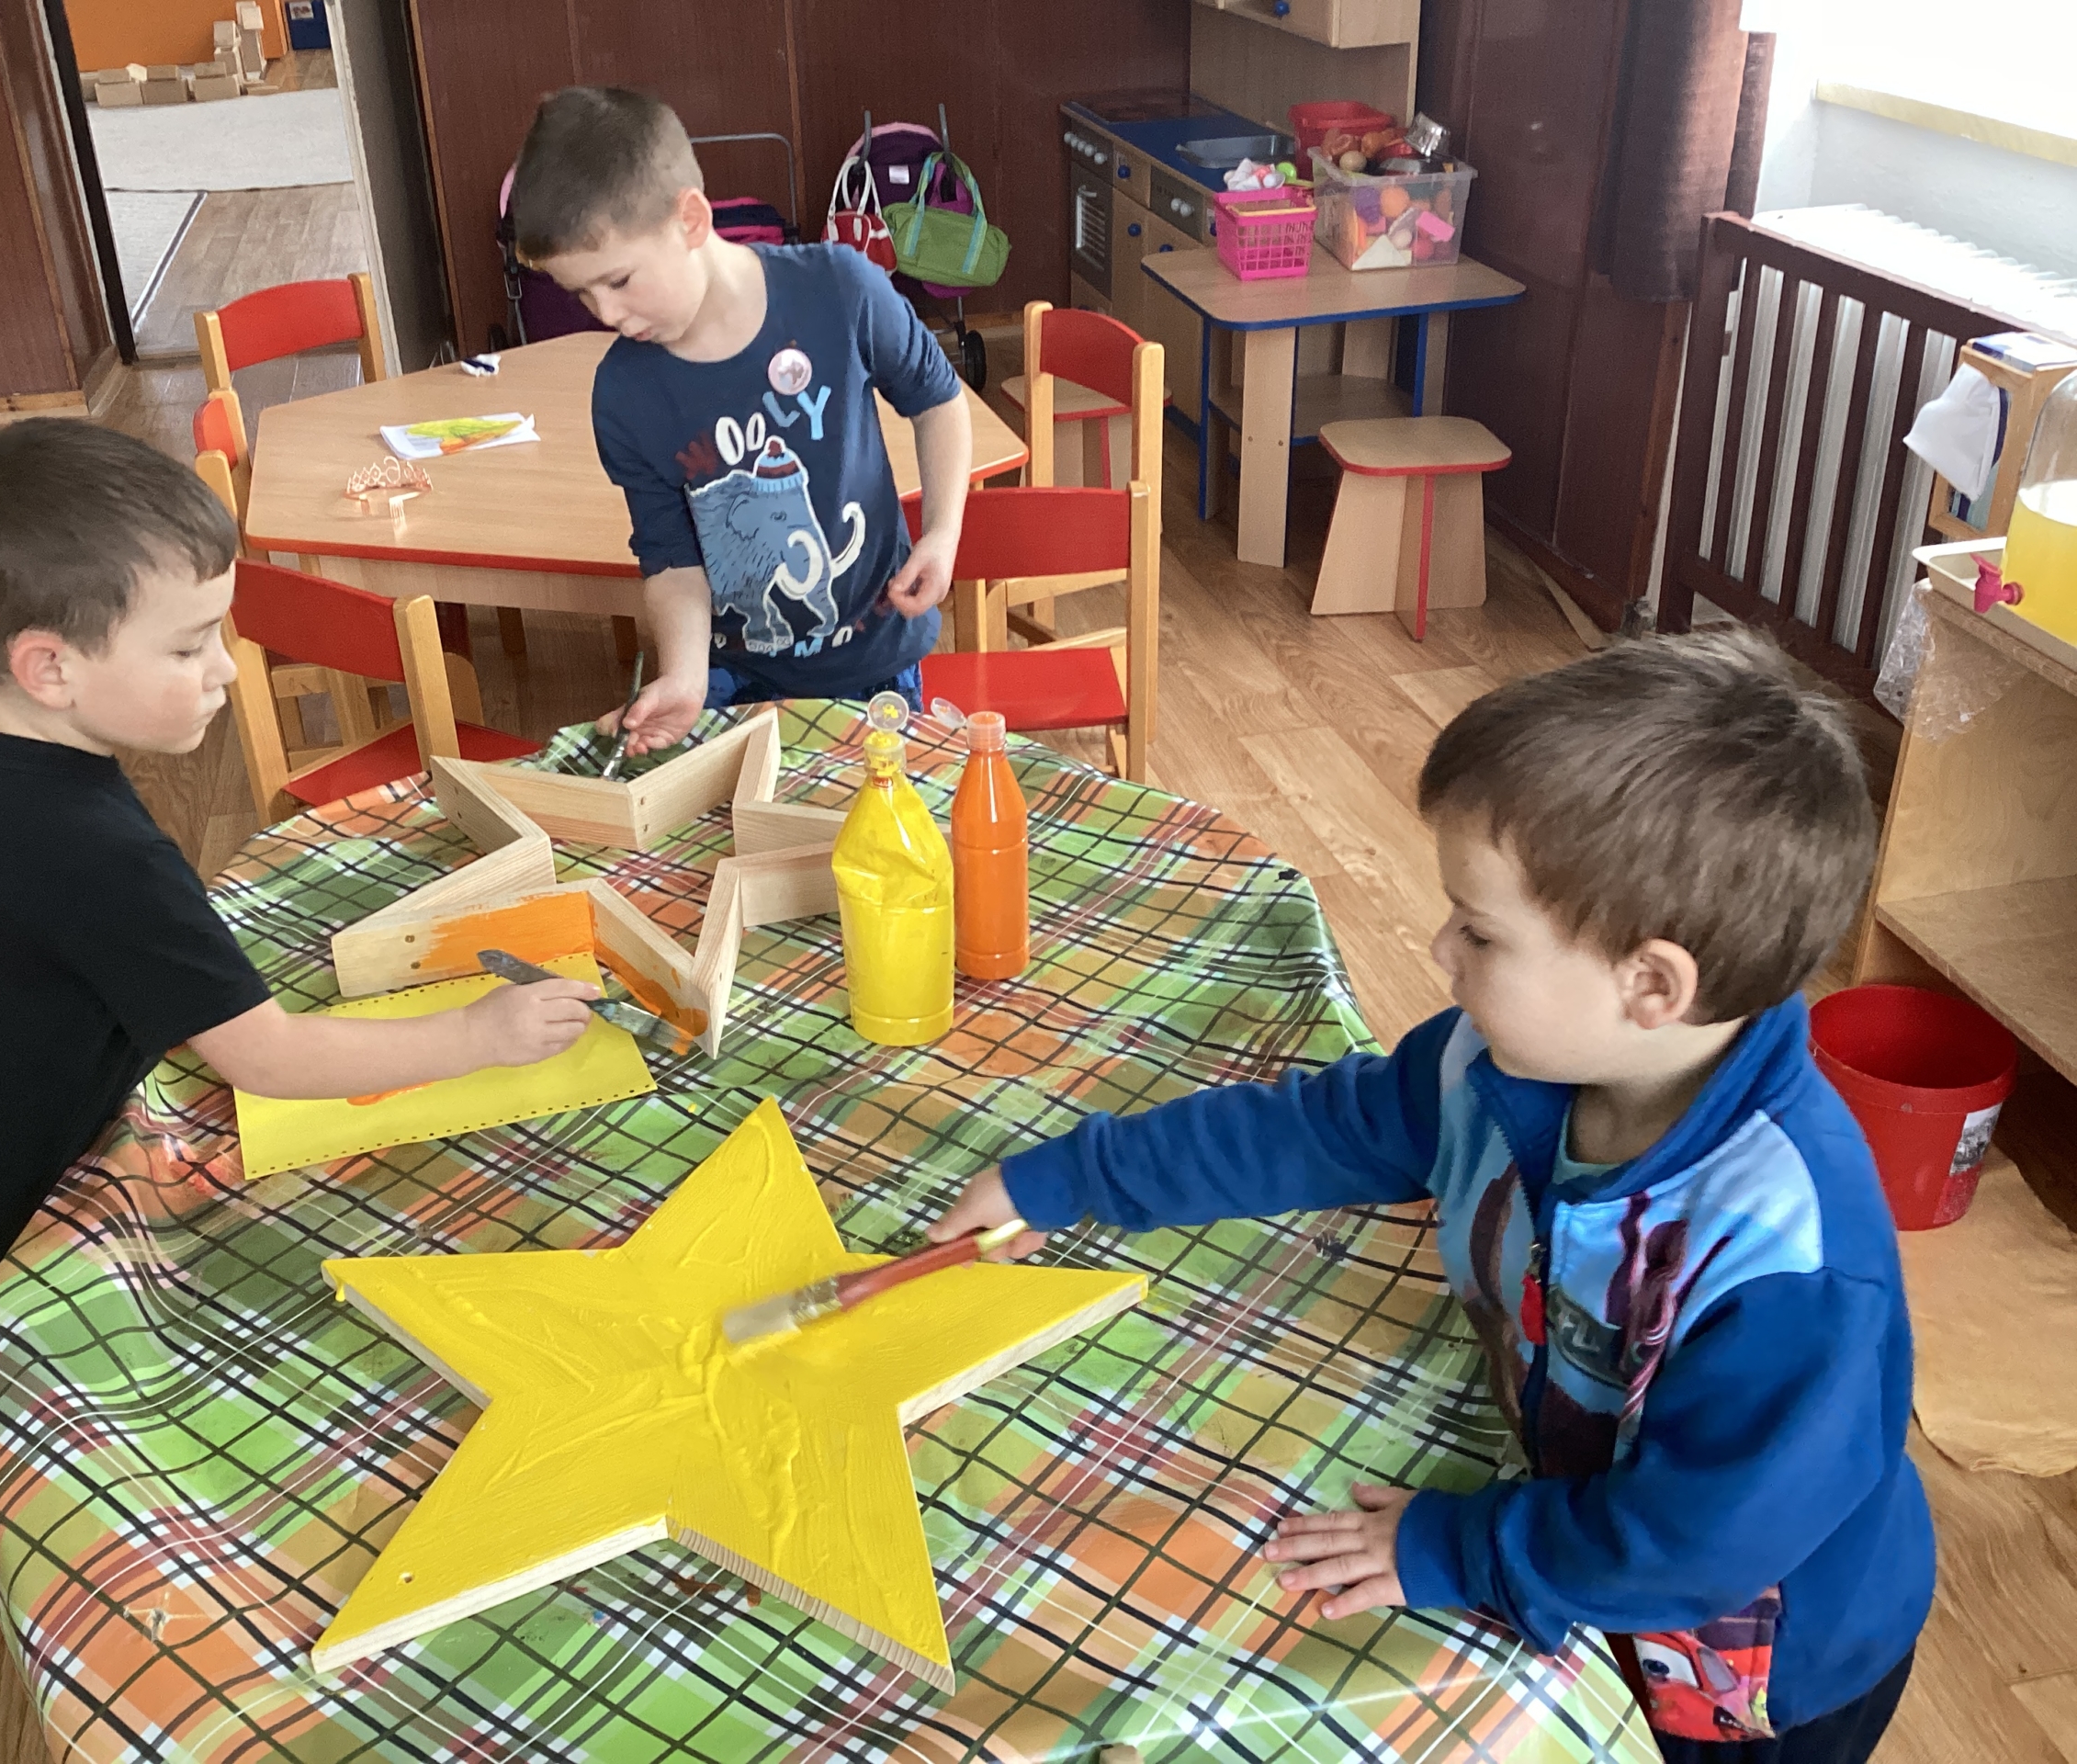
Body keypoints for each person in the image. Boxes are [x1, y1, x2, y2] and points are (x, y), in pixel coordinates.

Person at [931, 629, 1932, 1764]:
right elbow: (1316, 1130)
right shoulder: (1495, 1064)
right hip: (1589, 1540)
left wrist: (1458, 1548)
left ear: (1651, 984)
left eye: (1481, 930)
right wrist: (1065, 1179)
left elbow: (1692, 1547)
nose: (1436, 944)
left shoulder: (1793, 1262)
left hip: (1756, 1668)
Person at [0, 421, 600, 1306]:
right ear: (49, 669)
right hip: (9, 1214)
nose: (226, 669)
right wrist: (480, 1037)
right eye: (188, 647)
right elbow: (271, 1060)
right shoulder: (106, 856)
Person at [510, 86, 974, 755]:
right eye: (581, 292)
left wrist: (943, 532)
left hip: (876, 663)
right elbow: (670, 557)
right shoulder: (623, 392)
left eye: (619, 281)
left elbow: (938, 399)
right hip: (733, 683)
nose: (605, 314)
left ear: (691, 221)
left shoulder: (842, 288)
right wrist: (684, 675)